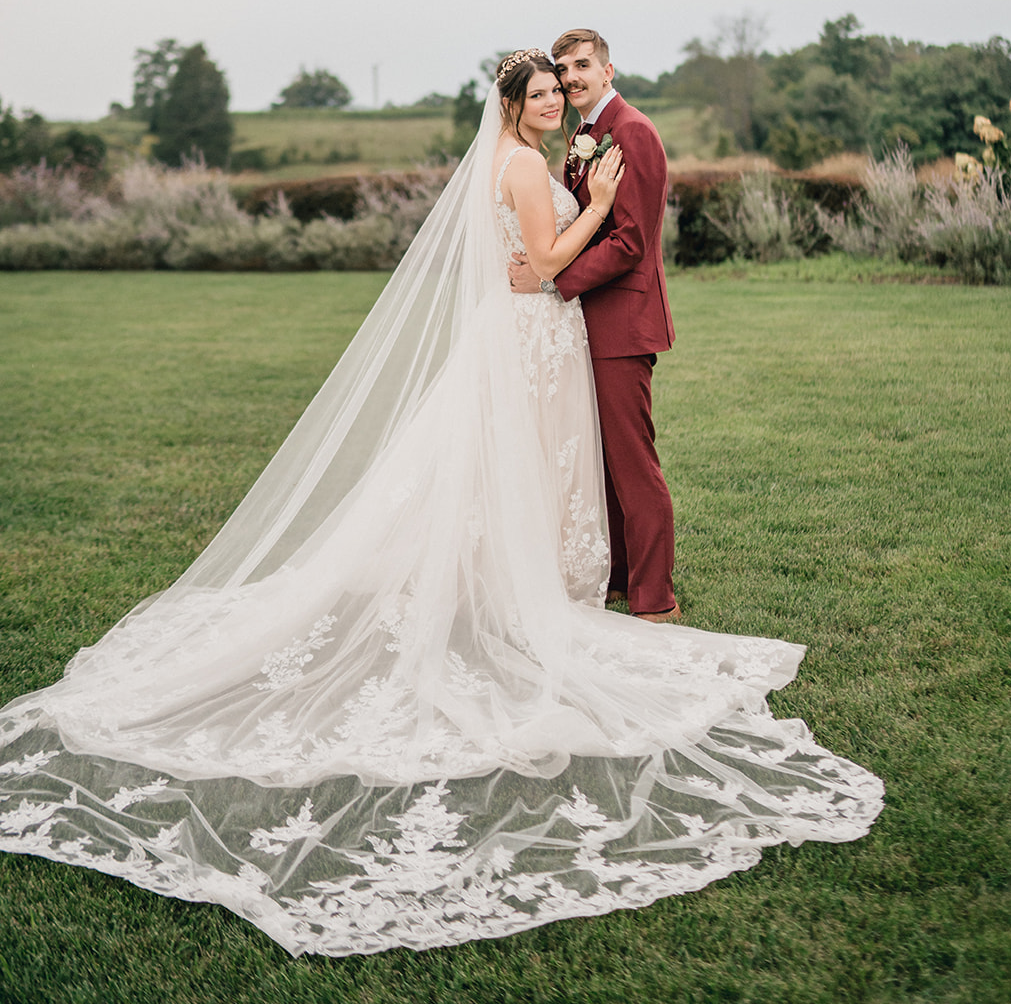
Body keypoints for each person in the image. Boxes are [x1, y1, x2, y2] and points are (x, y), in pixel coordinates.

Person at [0, 52, 883, 958]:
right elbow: (538, 263)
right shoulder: (524, 166)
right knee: (528, 466)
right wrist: (595, 207)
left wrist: (583, 201)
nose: (553, 101)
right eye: (539, 93)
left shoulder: (515, 160)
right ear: (512, 105)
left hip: (523, 334)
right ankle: (518, 586)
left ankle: (499, 572)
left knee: (510, 468)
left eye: (557, 90)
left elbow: (526, 259)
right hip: (533, 330)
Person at [509, 29, 678, 621]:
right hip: (586, 320)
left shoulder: (632, 131)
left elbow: (633, 241)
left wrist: (554, 278)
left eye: (583, 66)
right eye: (563, 70)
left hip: (624, 319)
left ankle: (655, 599)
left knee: (632, 461)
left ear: (609, 70)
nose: (572, 78)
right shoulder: (582, 135)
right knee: (601, 460)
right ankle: (621, 576)